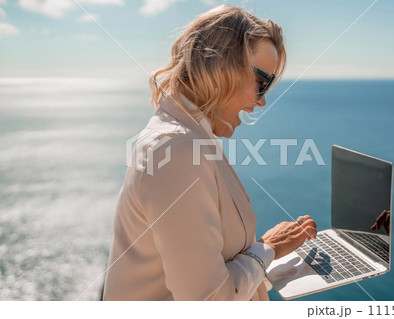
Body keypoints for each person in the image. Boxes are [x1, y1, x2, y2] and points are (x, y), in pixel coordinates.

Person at [102, 5, 317, 301]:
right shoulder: (177, 149)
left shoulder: (191, 138)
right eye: (260, 83)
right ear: (220, 69)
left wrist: (266, 262)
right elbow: (209, 301)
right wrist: (267, 249)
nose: (261, 101)